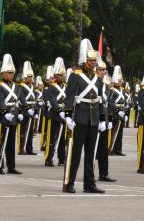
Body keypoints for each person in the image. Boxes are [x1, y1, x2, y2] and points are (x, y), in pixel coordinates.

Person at [62, 38, 106, 194]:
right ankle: (69, 182)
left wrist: (102, 118)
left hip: (93, 119)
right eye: (90, 60)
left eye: (94, 60)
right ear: (84, 60)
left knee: (90, 154)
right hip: (79, 117)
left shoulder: (97, 78)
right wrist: (67, 115)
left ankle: (89, 184)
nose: (93, 63)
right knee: (75, 153)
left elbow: (100, 99)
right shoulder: (75, 75)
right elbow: (69, 96)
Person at [0, 54, 22, 175]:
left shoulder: (16, 86)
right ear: (3, 73)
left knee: (11, 144)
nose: (11, 75)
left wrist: (19, 113)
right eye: (9, 73)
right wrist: (5, 112)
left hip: (13, 117)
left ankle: (11, 166)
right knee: (0, 142)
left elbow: (17, 101)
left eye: (12, 73)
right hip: (3, 117)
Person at [94, 58, 115, 183]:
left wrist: (110, 119)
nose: (103, 72)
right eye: (100, 70)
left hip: (105, 121)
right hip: (95, 120)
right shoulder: (94, 83)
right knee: (93, 149)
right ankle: (91, 173)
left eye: (104, 70)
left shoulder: (105, 86)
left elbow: (108, 104)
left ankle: (104, 173)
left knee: (103, 149)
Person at [43, 60, 67, 167]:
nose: (61, 76)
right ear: (55, 75)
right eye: (59, 75)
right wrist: (59, 110)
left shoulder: (66, 86)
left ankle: (61, 159)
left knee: (63, 138)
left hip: (64, 114)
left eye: (62, 75)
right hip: (54, 114)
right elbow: (52, 100)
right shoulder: (51, 87)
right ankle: (48, 158)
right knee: (51, 138)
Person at [17, 61, 38, 156]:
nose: (31, 78)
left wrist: (35, 110)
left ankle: (29, 148)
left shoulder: (32, 87)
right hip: (24, 110)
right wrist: (27, 108)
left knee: (30, 131)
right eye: (29, 76)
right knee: (23, 131)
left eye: (31, 76)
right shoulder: (21, 86)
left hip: (32, 110)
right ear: (25, 77)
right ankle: (21, 148)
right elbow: (21, 98)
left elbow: (34, 99)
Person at [107, 65, 128, 156]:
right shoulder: (111, 90)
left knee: (120, 133)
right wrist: (117, 110)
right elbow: (111, 102)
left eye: (121, 81)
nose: (120, 83)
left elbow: (125, 101)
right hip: (115, 114)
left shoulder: (122, 90)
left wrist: (126, 113)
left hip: (122, 113)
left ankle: (118, 149)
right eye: (119, 81)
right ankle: (111, 149)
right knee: (114, 132)